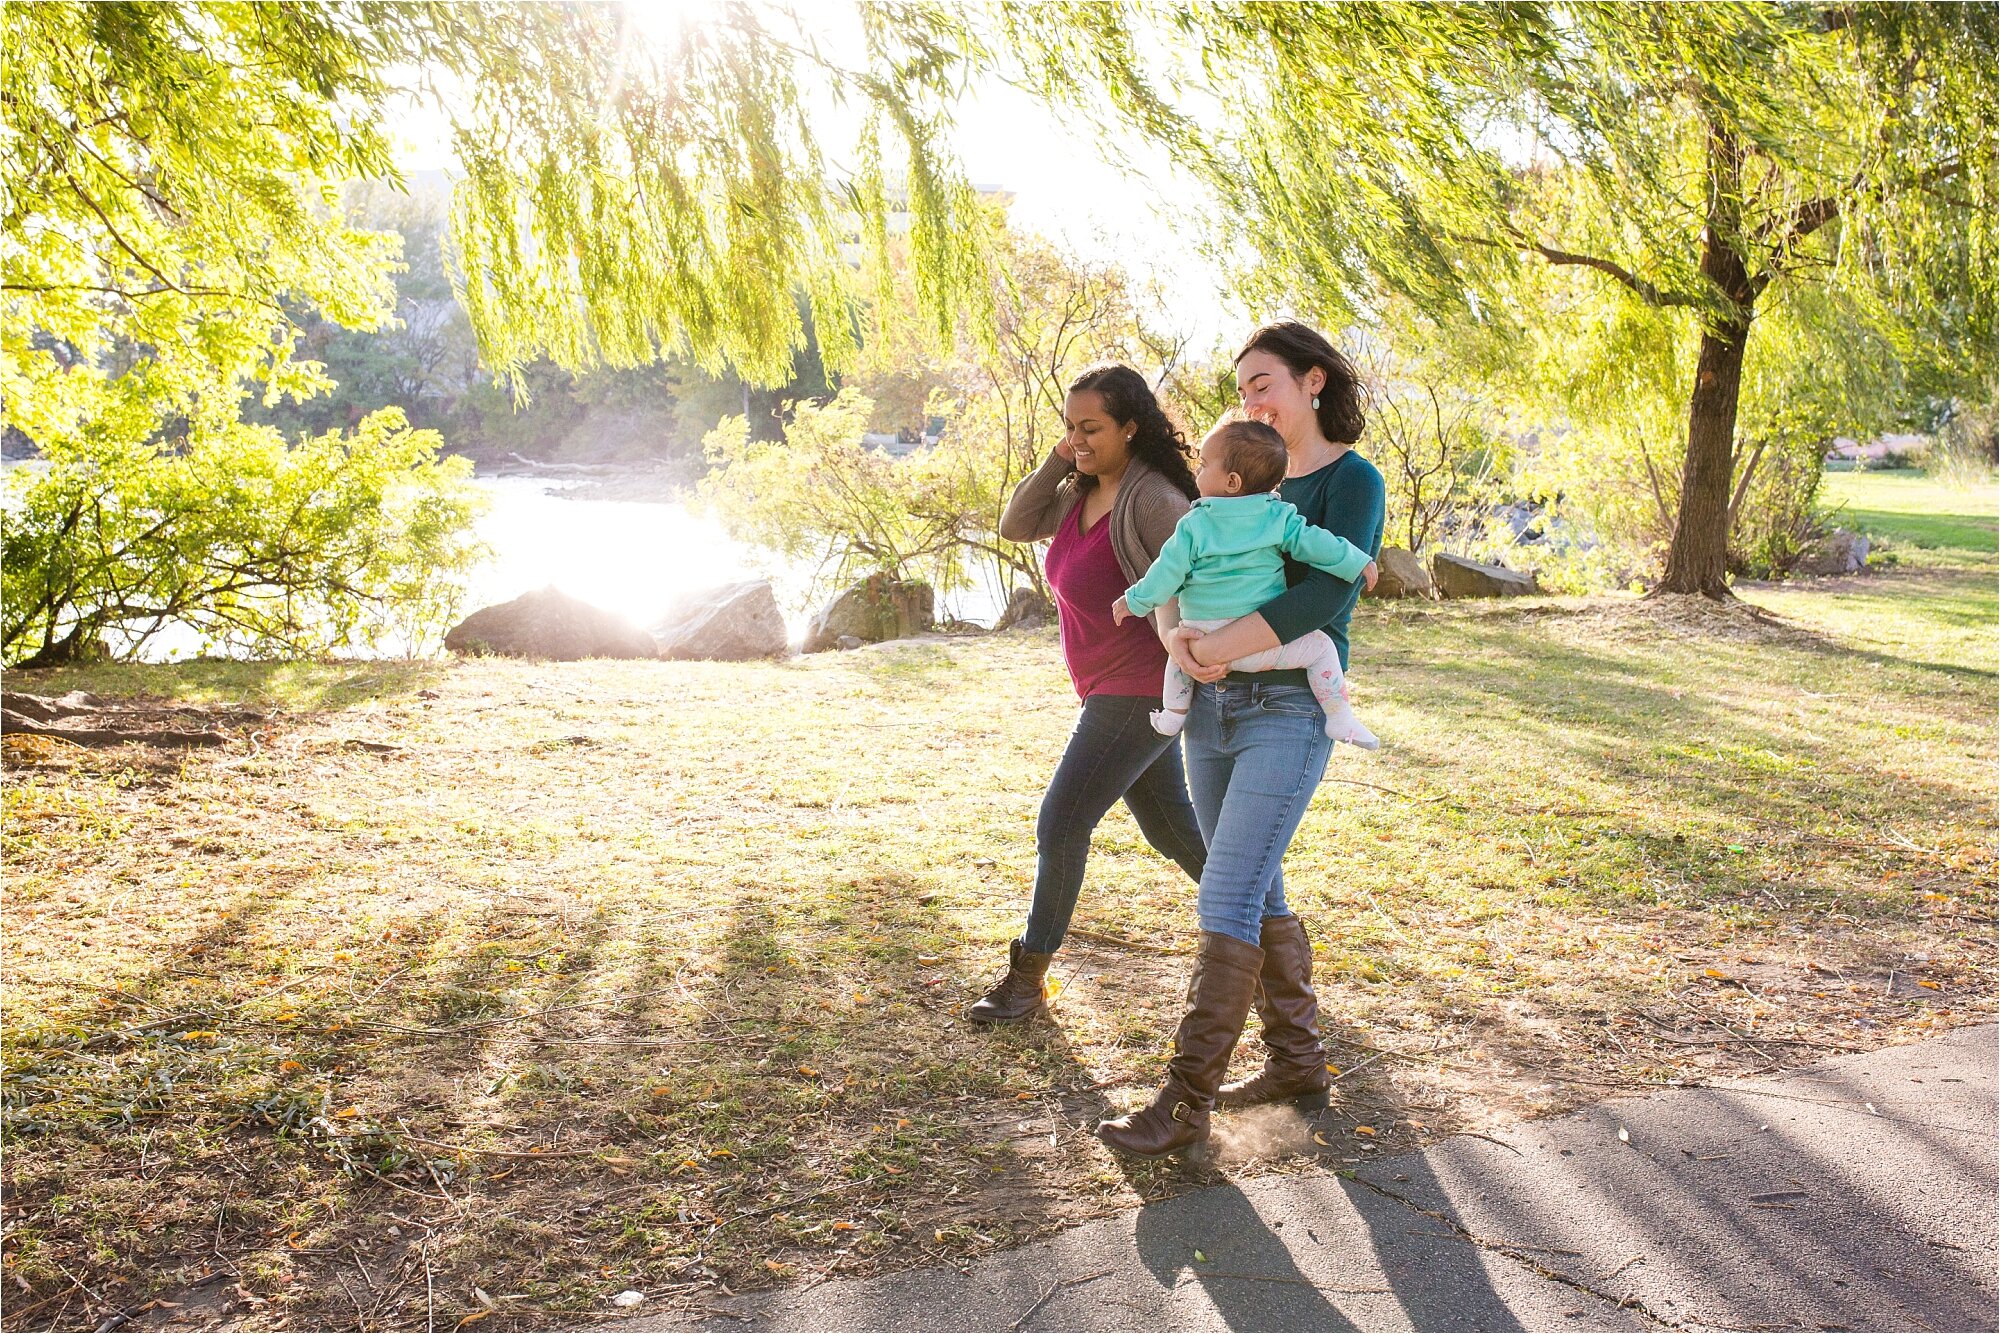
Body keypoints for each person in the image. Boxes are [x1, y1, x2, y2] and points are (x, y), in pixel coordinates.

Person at [1097, 322, 1385, 1159]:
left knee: (1223, 897)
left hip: (1287, 712)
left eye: (1264, 382)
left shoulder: (1348, 481)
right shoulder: (1227, 481)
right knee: (1256, 892)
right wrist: (1174, 639)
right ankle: (1298, 1062)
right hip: (1212, 715)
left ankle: (1184, 1103)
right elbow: (1176, 568)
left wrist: (1212, 648)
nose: (1252, 399)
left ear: (1314, 382)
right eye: (1244, 388)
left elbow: (1323, 600)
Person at [967, 364, 1208, 1023]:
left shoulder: (1153, 498)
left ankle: (1028, 979)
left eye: (1092, 427)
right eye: (1070, 426)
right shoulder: (1080, 490)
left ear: (1132, 427)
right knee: (1170, 829)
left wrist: (1194, 649)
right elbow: (1016, 524)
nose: (1077, 438)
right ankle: (1271, 932)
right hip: (1109, 688)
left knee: (1063, 820)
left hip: (1139, 690)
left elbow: (1204, 577)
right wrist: (1059, 458)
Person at [1112, 418, 1380, 748]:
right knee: (1322, 648)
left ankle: (1172, 713)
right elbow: (1317, 543)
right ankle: (1339, 717)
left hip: (1203, 634)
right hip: (1257, 643)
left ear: (1233, 481)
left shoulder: (1194, 525)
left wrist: (1134, 601)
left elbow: (1166, 573)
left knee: (1178, 656)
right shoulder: (1277, 516)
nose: (1197, 470)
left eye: (1204, 464)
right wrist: (1358, 561)